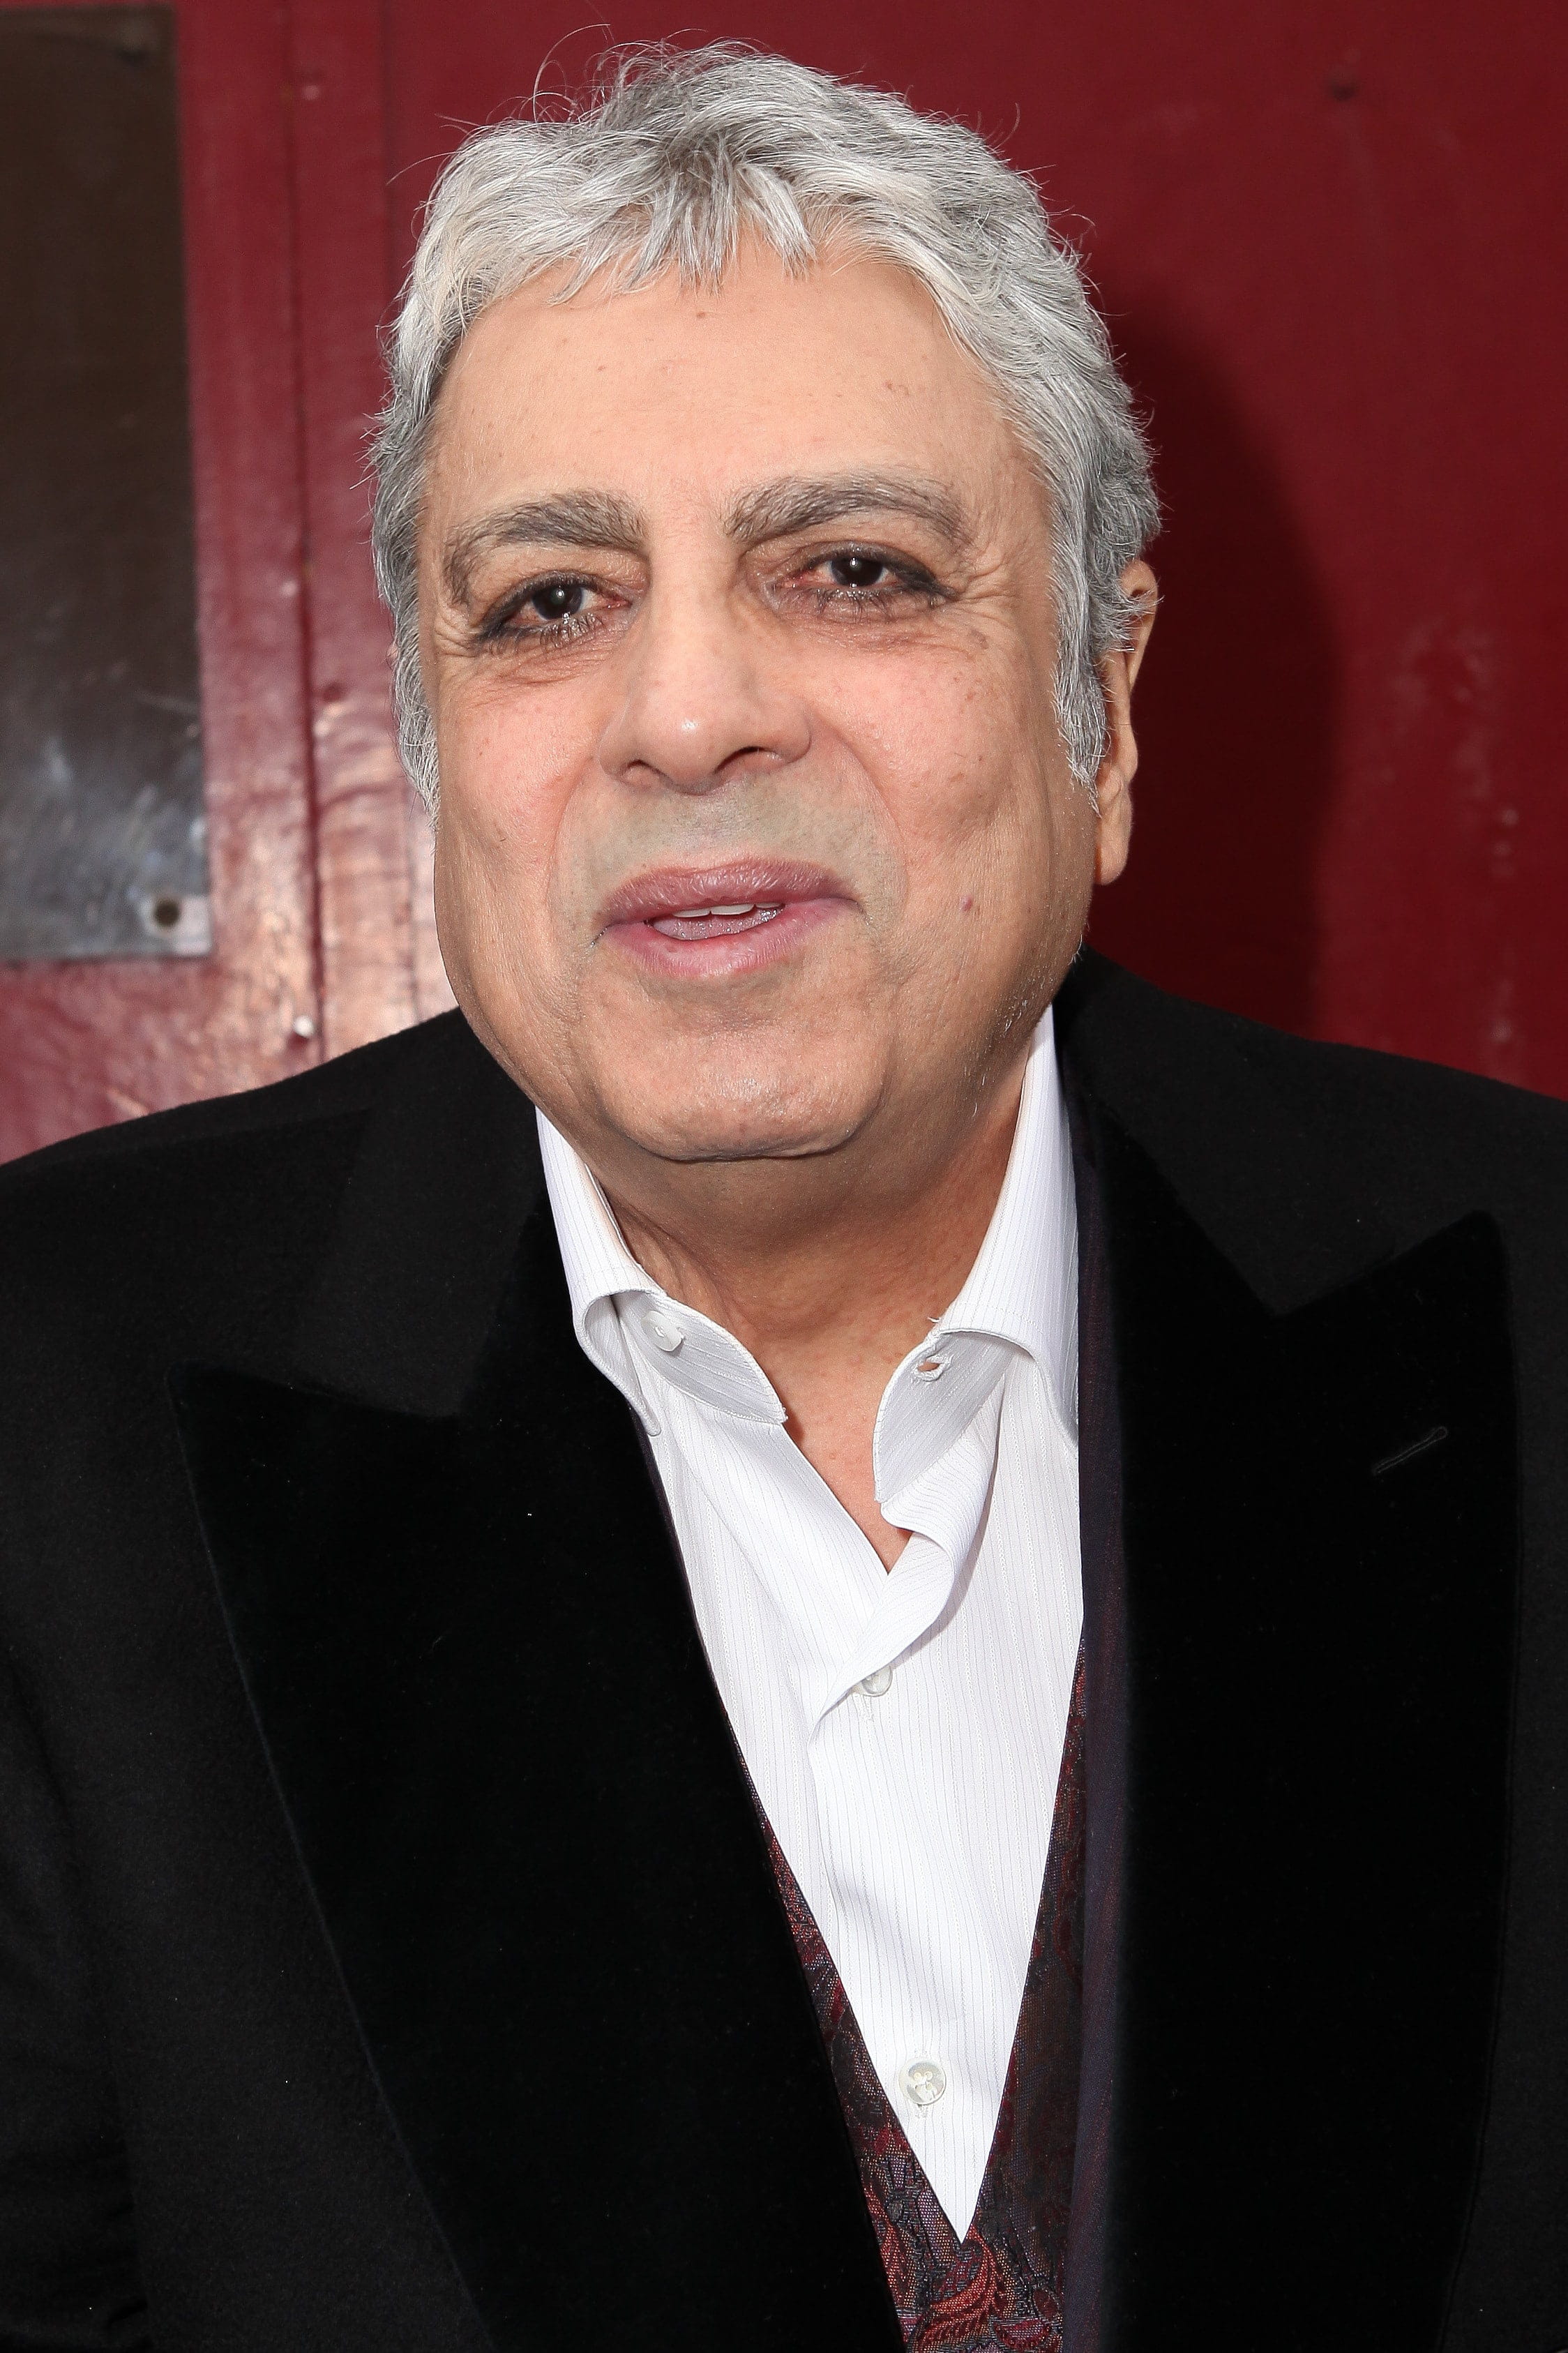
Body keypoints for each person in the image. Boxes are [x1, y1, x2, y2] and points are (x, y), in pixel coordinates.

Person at [0, 45, 1562, 2353]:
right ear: (428, 737)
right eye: (552, 600)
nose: (689, 714)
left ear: (1103, 705)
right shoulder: (45, 1407)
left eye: (852, 571)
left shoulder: (1536, 1300)